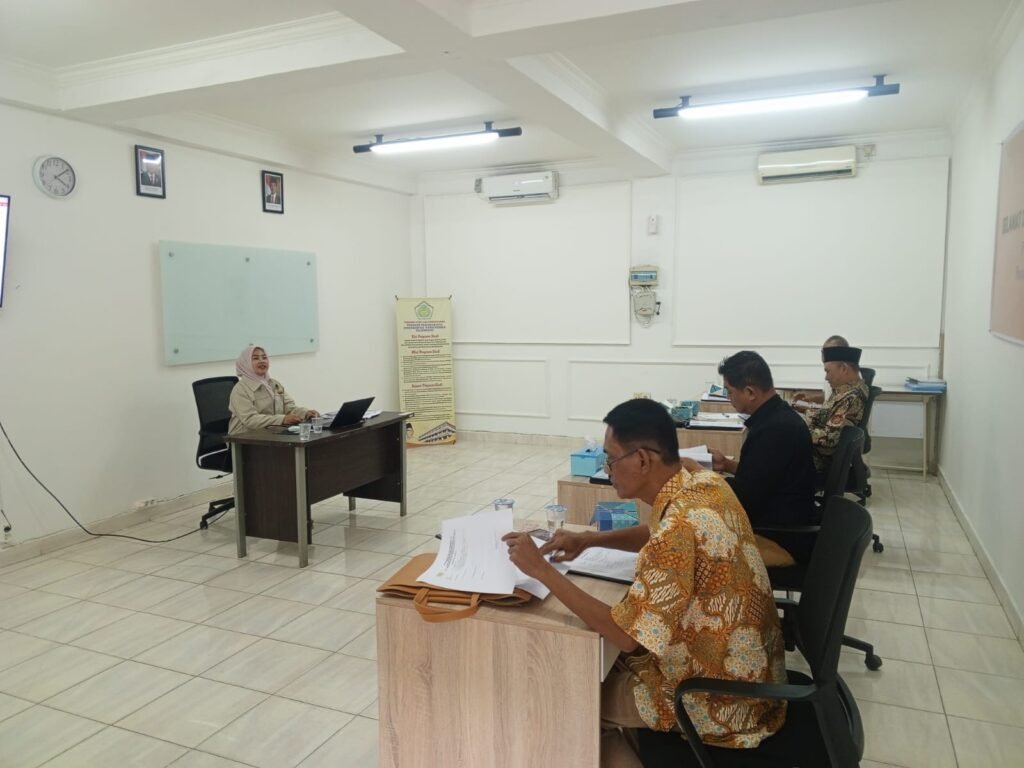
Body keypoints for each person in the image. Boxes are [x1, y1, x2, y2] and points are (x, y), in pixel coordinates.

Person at [503, 399, 786, 768]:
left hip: (716, 698)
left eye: (611, 459)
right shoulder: (702, 483)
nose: (608, 469)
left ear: (641, 460)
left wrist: (541, 570)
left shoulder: (676, 532)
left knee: (573, 698)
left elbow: (625, 635)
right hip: (750, 678)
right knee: (600, 664)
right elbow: (657, 531)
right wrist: (588, 540)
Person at [708, 351, 817, 566]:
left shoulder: (776, 430)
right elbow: (762, 478)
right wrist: (727, 465)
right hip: (779, 521)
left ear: (750, 392)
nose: (729, 398)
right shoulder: (777, 417)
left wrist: (701, 475)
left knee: (696, 545)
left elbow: (745, 497)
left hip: (782, 537)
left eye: (730, 392)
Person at [794, 346, 869, 473]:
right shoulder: (845, 389)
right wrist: (805, 413)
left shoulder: (851, 397)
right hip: (817, 452)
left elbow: (829, 438)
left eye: (828, 371)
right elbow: (827, 414)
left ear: (843, 368)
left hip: (818, 459)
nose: (826, 377)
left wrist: (796, 431)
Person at [228, 344, 318, 434]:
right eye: (255, 358)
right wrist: (282, 419)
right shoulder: (240, 390)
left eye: (264, 357)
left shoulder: (274, 384)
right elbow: (250, 420)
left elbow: (289, 407)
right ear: (245, 364)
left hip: (272, 434)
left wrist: (305, 413)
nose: (262, 361)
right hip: (244, 437)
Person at [792, 334, 848, 406]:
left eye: (829, 353)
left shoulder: (849, 378)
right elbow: (828, 396)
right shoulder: (831, 371)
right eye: (823, 352)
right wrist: (810, 397)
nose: (824, 357)